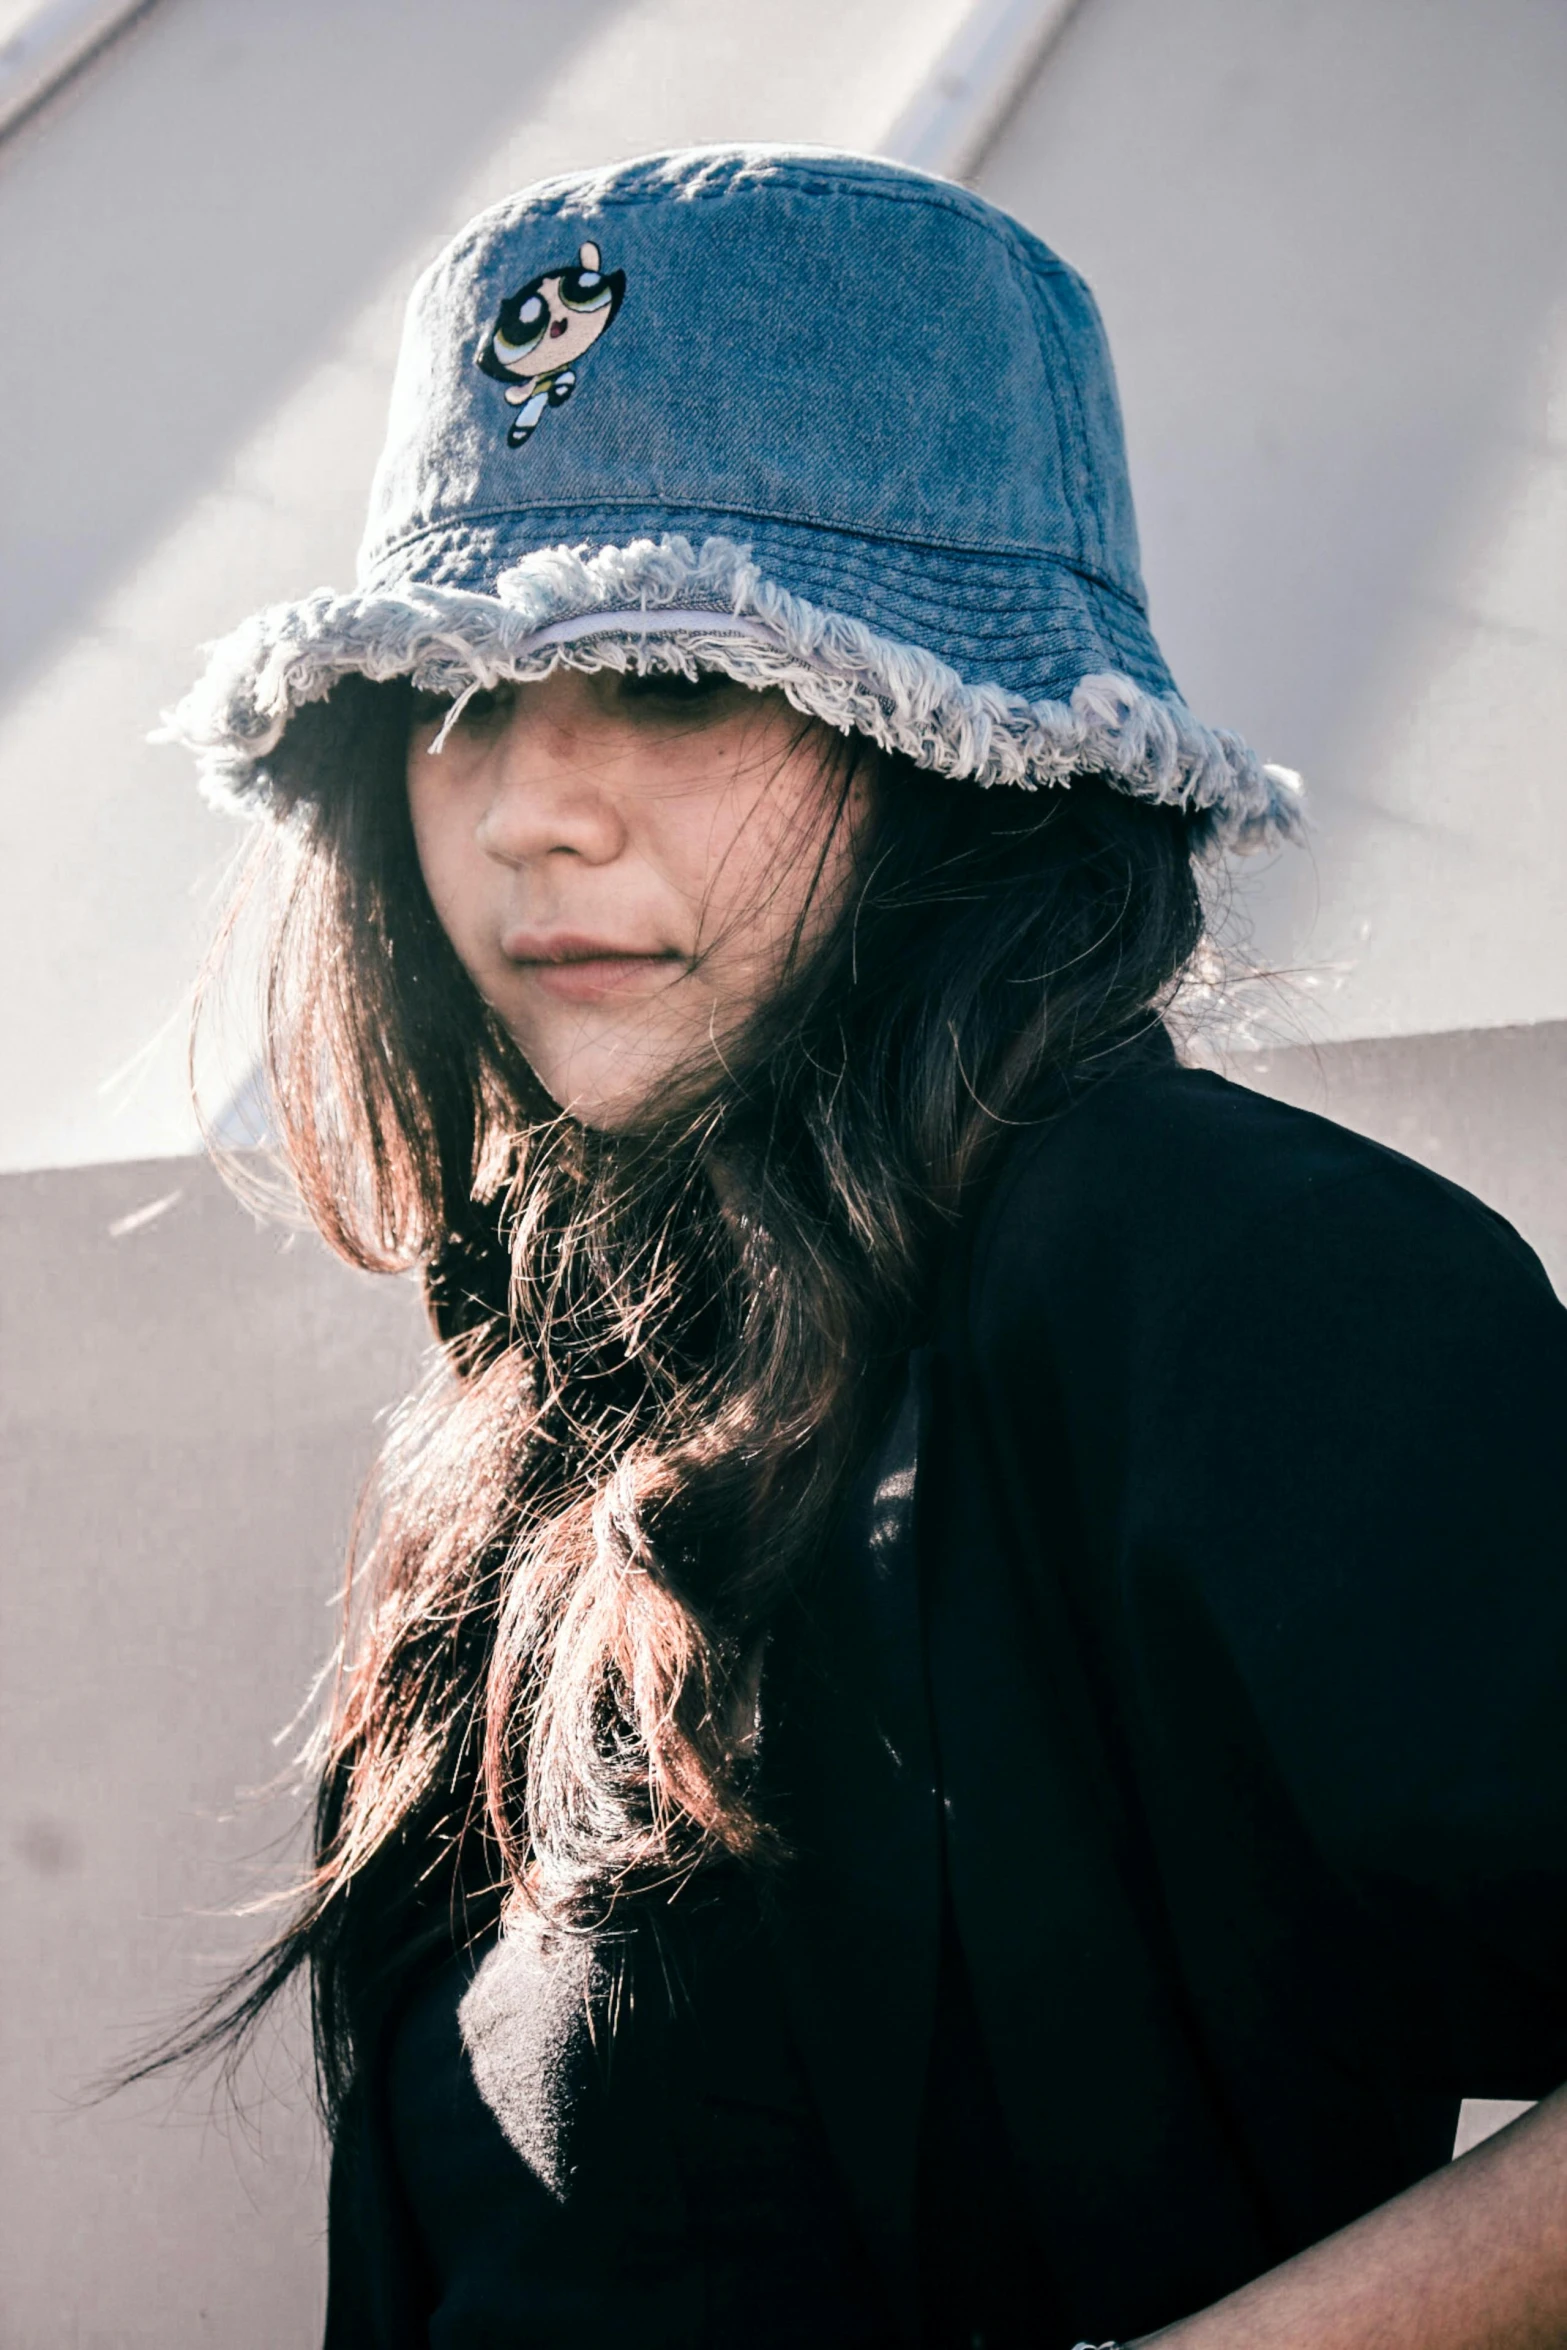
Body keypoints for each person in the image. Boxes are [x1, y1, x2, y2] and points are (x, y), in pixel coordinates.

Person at [163, 147, 1567, 2349]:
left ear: (963, 750)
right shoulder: (541, 1379)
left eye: (677, 680)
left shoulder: (1251, 1283)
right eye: (445, 699)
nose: (531, 801)